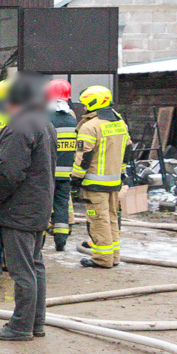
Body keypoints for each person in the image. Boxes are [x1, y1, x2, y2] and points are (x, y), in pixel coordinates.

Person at [0, 75, 56, 341]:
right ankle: (35, 323)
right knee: (35, 266)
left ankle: (20, 327)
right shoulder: (44, 123)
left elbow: (10, 173)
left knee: (22, 270)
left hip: (19, 211)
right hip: (37, 207)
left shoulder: (19, 127)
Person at [72, 86, 131, 269]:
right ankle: (114, 256)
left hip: (94, 183)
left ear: (93, 103)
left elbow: (85, 157)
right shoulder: (119, 122)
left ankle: (102, 259)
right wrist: (121, 173)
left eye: (85, 104)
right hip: (114, 181)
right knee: (112, 219)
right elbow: (127, 150)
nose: (83, 108)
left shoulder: (90, 126)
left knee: (98, 221)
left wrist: (76, 178)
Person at [46, 79, 78, 251]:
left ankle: (41, 241)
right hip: (65, 174)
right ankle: (61, 240)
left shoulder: (46, 119)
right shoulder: (73, 121)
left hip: (47, 173)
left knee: (44, 206)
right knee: (62, 206)